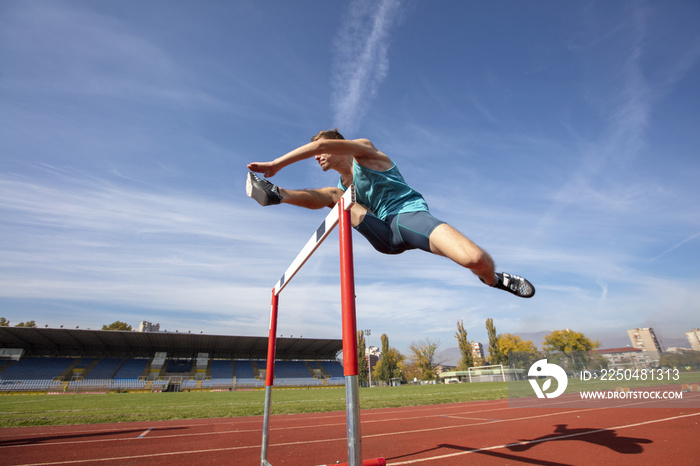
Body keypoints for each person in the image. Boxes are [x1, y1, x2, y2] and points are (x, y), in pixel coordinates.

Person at [246, 129, 534, 298]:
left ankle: (495, 279)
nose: (317, 155)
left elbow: (320, 144)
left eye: (320, 150)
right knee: (334, 196)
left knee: (475, 259)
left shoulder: (366, 152)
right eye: (316, 153)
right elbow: (320, 199)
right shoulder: (343, 187)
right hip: (383, 235)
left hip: (408, 218)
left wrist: (276, 162)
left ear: (338, 145)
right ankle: (276, 194)